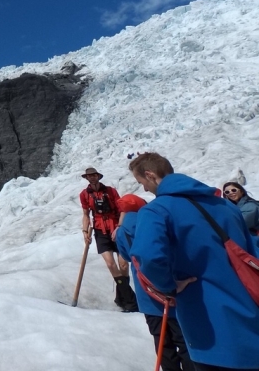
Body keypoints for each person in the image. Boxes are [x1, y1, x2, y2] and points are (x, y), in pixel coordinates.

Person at [129, 152, 259, 371]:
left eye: (141, 182)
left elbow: (149, 256)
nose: (143, 189)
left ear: (150, 175)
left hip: (209, 328)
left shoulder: (157, 211)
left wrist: (169, 286)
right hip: (250, 315)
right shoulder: (226, 207)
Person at [116, 209, 195, 371]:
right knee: (184, 341)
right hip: (171, 292)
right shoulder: (156, 223)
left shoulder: (122, 233)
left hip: (146, 296)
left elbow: (125, 256)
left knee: (162, 343)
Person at [79, 167, 138, 312]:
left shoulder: (111, 191)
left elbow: (122, 209)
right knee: (111, 264)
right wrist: (85, 231)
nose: (92, 178)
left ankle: (121, 298)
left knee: (123, 265)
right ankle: (130, 302)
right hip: (100, 230)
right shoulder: (84, 194)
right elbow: (86, 214)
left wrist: (120, 226)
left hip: (116, 228)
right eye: (89, 176)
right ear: (86, 178)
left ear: (98, 176)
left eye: (94, 175)